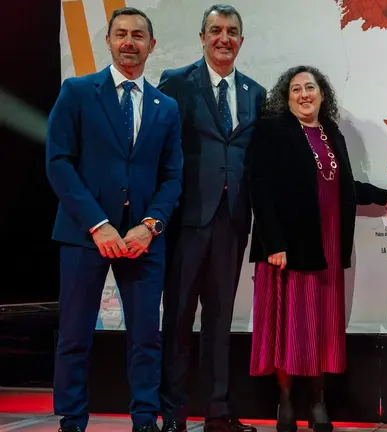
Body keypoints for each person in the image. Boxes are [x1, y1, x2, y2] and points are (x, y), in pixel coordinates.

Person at [46, 7, 182, 432]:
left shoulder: (166, 107)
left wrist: (150, 225)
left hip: (144, 239)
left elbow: (173, 175)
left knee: (146, 337)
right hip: (85, 234)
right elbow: (59, 163)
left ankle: (145, 417)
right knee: (74, 333)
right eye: (120, 34)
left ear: (151, 45)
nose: (129, 42)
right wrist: (98, 224)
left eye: (138, 35)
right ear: (108, 40)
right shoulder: (77, 91)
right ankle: (72, 418)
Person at [247, 65, 387, 432]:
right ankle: (285, 403)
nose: (304, 94)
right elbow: (260, 190)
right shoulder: (272, 131)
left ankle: (318, 402)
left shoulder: (332, 133)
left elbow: (343, 186)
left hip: (328, 246)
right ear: (287, 97)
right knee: (288, 329)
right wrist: (274, 244)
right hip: (288, 248)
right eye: (295, 89)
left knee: (321, 327)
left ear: (322, 94)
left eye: (310, 87)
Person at [156, 4, 264, 432]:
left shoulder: (256, 93)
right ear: (202, 36)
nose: (224, 38)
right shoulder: (176, 83)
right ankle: (174, 415)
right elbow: (164, 151)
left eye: (232, 31)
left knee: (220, 320)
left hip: (233, 222)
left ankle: (218, 412)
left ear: (241, 40)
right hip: (186, 221)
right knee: (178, 318)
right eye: (216, 30)